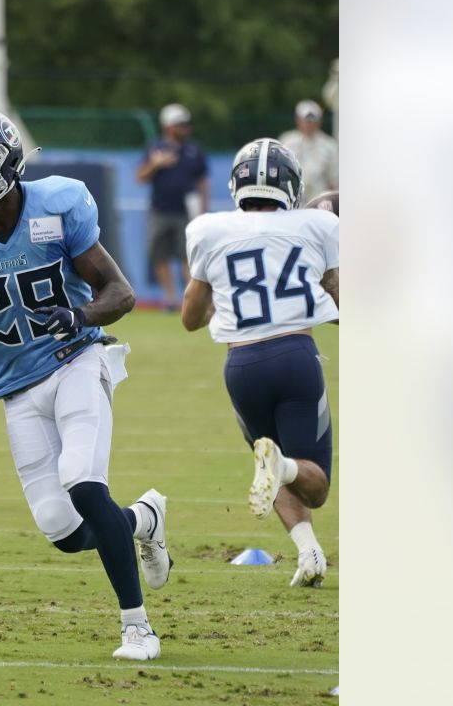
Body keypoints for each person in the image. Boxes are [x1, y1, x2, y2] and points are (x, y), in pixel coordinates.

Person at [0, 108, 173, 660]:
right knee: (61, 529)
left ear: (6, 164)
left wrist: (80, 317)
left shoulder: (57, 205)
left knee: (84, 484)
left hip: (77, 360)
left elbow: (120, 292)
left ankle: (137, 627)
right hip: (15, 387)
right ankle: (143, 519)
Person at [180, 138, 339, 588]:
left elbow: (190, 319)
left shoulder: (209, 229)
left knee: (273, 459)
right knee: (313, 481)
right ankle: (284, 467)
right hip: (295, 357)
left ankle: (309, 553)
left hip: (242, 366)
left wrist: (227, 302)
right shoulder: (318, 224)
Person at [136, 103, 209, 311]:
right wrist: (156, 164)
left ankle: (191, 300)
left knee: (188, 257)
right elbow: (140, 177)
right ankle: (170, 300)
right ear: (168, 126)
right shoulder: (155, 148)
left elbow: (203, 181)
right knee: (161, 256)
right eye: (181, 125)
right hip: (160, 210)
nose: (186, 129)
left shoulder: (194, 150)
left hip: (186, 212)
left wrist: (203, 208)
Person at [279, 100, 339, 198]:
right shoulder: (286, 142)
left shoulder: (330, 146)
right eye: (306, 120)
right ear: (298, 120)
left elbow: (335, 180)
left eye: (312, 120)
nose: (308, 124)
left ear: (319, 121)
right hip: (292, 203)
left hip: (320, 202)